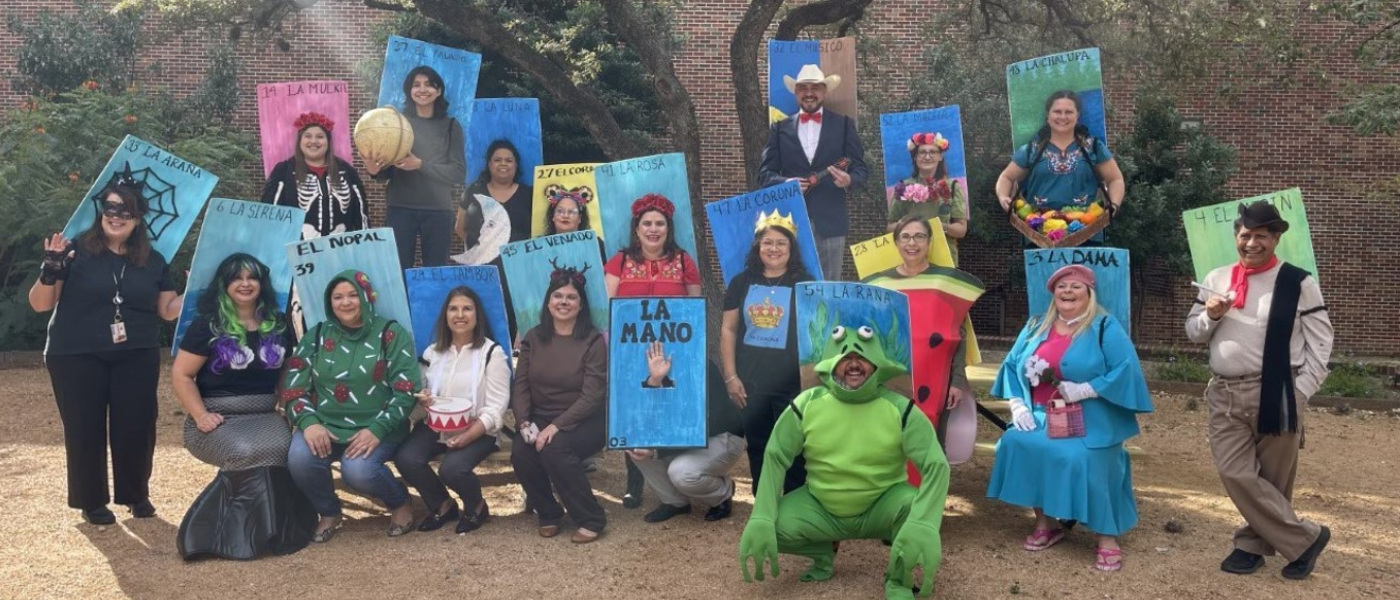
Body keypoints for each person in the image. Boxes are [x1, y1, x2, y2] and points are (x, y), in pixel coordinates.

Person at [739, 324, 948, 600]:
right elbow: (776, 455)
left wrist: (924, 522)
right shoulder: (807, 404)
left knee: (915, 510)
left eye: (862, 357)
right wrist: (762, 514)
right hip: (821, 506)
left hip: (882, 505)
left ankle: (899, 580)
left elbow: (936, 465)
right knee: (770, 528)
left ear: (877, 364)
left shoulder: (900, 408)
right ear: (830, 363)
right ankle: (822, 553)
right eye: (844, 357)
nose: (853, 363)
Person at [1185, 201, 1333, 580]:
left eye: (1261, 236)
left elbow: (1321, 342)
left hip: (1279, 390)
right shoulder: (1216, 278)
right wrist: (1211, 315)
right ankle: (1305, 538)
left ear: (1276, 238)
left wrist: (1301, 391)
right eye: (1245, 235)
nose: (1252, 243)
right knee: (1235, 472)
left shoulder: (1298, 282)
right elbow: (1193, 333)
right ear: (1237, 235)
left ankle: (1251, 546)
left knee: (1273, 479)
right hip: (1224, 393)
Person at [29, 174, 183, 525]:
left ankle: (135, 494)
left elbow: (167, 310)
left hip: (137, 351)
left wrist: (196, 289)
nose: (117, 215)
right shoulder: (74, 251)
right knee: (84, 428)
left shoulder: (154, 260)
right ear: (100, 212)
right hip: (76, 352)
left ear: (139, 217)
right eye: (110, 207)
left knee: (137, 425)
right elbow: (40, 304)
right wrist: (50, 270)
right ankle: (90, 500)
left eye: (126, 209)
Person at [987, 265, 1153, 572]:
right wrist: (1017, 404)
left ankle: (1107, 537)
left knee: (1085, 458)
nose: (1067, 291)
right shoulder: (1037, 324)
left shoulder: (1105, 327)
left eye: (1076, 286)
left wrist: (1088, 388)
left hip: (1092, 419)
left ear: (1089, 293)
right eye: (1061, 286)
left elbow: (1125, 369)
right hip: (1040, 415)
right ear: (1053, 294)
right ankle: (1046, 523)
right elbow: (1012, 365)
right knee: (1016, 441)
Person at [171, 253, 314, 560]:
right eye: (237, 278)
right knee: (246, 452)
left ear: (262, 284)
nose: (246, 284)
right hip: (217, 417)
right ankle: (222, 534)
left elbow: (287, 371)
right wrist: (200, 415)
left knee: (284, 449)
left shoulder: (277, 325)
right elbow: (182, 375)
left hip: (264, 414)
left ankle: (277, 529)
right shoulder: (206, 327)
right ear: (224, 285)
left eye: (252, 278)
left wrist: (290, 408)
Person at [280, 271, 421, 541]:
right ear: (328, 301)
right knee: (300, 459)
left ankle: (400, 502)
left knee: (358, 470)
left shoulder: (391, 333)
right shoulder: (317, 335)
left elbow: (406, 390)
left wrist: (378, 429)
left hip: (379, 426)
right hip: (325, 425)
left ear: (367, 297)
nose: (346, 302)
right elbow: (294, 387)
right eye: (338, 297)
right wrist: (309, 423)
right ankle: (330, 512)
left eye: (353, 295)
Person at [862, 216, 984, 469]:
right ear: (895, 242)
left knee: (929, 443)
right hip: (891, 379)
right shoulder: (877, 285)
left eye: (919, 236)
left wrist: (957, 381)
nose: (912, 243)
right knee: (888, 438)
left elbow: (957, 338)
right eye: (905, 236)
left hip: (936, 383)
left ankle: (928, 500)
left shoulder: (948, 283)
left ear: (929, 242)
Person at [604, 193, 701, 507]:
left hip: (672, 353)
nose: (653, 229)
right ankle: (635, 483)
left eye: (659, 223)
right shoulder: (620, 261)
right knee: (634, 414)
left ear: (668, 228)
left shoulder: (684, 261)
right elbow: (607, 308)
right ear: (637, 229)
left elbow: (695, 311)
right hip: (629, 353)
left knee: (665, 410)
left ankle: (671, 481)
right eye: (647, 223)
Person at [394, 287, 511, 535]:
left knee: (452, 469)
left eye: (467, 308)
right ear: (445, 315)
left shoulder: (492, 353)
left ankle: (476, 507)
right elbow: (420, 399)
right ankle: (442, 505)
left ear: (477, 315)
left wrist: (470, 435)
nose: (460, 315)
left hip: (478, 428)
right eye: (453, 308)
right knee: (406, 458)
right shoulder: (432, 352)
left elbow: (497, 406)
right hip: (436, 426)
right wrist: (422, 401)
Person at [511, 265, 609, 544]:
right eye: (558, 296)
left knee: (556, 449)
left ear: (581, 305)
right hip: (540, 416)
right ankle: (549, 512)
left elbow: (593, 395)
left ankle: (591, 518)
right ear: (549, 301)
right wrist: (524, 422)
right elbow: (521, 385)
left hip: (587, 420)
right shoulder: (533, 337)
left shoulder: (593, 340)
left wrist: (556, 426)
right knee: (521, 452)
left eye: (571, 297)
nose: (564, 302)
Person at [720, 210, 813, 496]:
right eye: (767, 243)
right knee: (759, 445)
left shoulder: (804, 283)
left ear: (791, 248)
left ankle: (796, 505)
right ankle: (765, 504)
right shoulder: (741, 282)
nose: (774, 249)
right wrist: (731, 376)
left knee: (794, 447)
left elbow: (813, 332)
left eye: (781, 243)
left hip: (791, 382)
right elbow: (729, 330)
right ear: (757, 248)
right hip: (751, 382)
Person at [759, 64, 869, 281]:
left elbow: (861, 169)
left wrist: (849, 179)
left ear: (824, 91)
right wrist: (786, 183)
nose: (809, 93)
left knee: (828, 286)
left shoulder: (844, 125)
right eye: (803, 88)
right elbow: (764, 175)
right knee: (788, 285)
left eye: (815, 87)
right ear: (796, 92)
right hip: (790, 223)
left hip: (831, 221)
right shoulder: (779, 129)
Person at [626, 345, 745, 523]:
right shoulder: (639, 366)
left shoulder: (701, 365)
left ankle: (722, 494)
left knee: (681, 472)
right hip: (685, 440)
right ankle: (675, 502)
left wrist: (657, 451)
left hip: (720, 436)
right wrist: (654, 381)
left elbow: (699, 426)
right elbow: (638, 415)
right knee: (635, 445)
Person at [364, 66, 467, 269]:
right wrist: (374, 170)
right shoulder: (396, 123)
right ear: (409, 91)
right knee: (399, 271)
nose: (422, 89)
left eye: (429, 84)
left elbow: (458, 172)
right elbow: (387, 168)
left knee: (435, 271)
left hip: (438, 211)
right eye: (416, 85)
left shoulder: (451, 125)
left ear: (439, 91)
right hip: (400, 209)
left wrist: (421, 165)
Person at [995, 90, 1125, 244]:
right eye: (1057, 111)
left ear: (1078, 116)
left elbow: (1115, 178)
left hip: (1087, 233)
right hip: (1039, 236)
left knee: (1081, 270)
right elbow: (1006, 177)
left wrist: (1114, 205)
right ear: (1048, 116)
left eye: (1068, 112)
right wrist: (1003, 197)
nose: (1063, 117)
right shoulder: (1032, 149)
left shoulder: (1094, 147)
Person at [261, 111, 367, 240]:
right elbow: (269, 215)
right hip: (297, 254)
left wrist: (364, 247)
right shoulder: (283, 171)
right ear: (300, 140)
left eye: (320, 136)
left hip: (339, 253)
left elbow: (361, 215)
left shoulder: (347, 171)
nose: (314, 141)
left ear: (328, 141)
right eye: (308, 136)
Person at [887, 133, 967, 264]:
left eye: (933, 152)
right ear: (915, 157)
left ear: (940, 156)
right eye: (922, 152)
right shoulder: (903, 186)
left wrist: (941, 227)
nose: (927, 156)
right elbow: (890, 227)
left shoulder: (952, 187)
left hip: (942, 259)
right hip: (909, 258)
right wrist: (907, 227)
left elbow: (961, 230)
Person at [459, 139, 532, 244]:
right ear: (489, 164)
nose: (503, 164)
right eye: (497, 160)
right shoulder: (472, 191)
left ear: (516, 165)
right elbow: (460, 228)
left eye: (509, 160)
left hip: (517, 259)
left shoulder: (529, 194)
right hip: (481, 259)